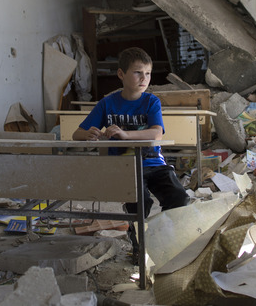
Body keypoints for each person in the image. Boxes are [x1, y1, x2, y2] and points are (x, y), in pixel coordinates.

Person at [72, 47, 189, 259]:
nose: (144, 78)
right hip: (124, 168)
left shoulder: (151, 101)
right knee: (140, 202)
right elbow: (76, 134)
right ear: (121, 74)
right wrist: (88, 133)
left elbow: (156, 134)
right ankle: (139, 247)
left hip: (154, 164)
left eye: (147, 73)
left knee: (179, 197)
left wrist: (126, 135)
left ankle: (162, 240)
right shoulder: (108, 103)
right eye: (137, 72)